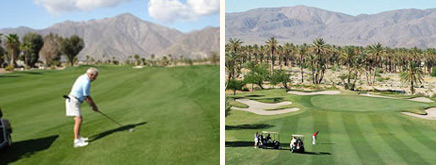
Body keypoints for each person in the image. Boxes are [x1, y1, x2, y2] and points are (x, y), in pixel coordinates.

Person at [66, 67, 99, 148]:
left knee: (78, 119)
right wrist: (94, 106)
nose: (95, 79)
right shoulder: (86, 81)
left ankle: (78, 137)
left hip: (74, 100)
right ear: (91, 75)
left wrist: (92, 106)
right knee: (78, 119)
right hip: (74, 100)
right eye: (94, 77)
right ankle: (76, 141)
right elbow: (86, 97)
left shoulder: (83, 76)